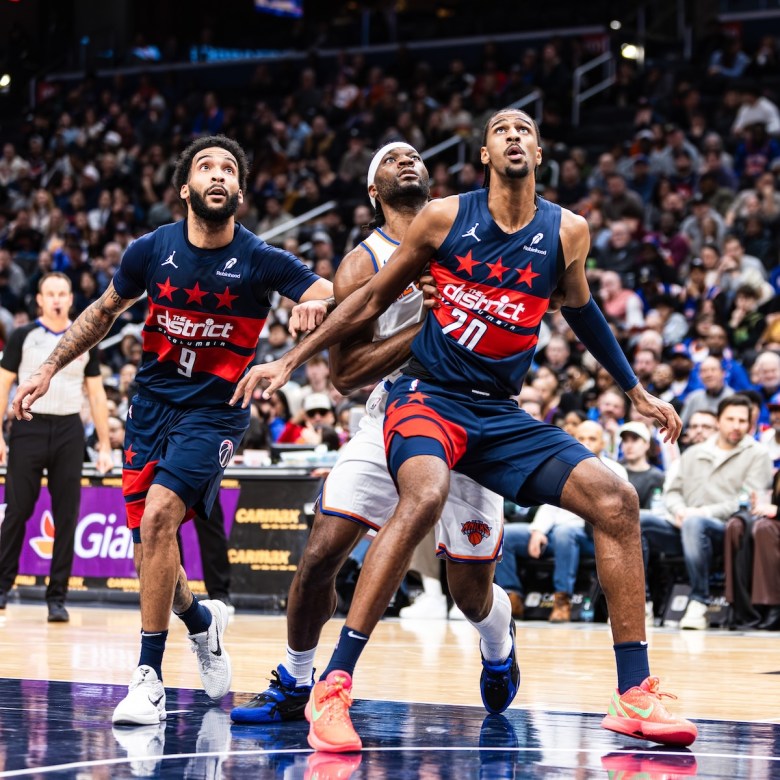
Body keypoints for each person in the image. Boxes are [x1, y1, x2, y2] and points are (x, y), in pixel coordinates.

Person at [235, 108, 696, 751]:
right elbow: (365, 306)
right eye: (501, 129)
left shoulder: (567, 231)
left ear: (539, 149)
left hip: (498, 414)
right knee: (416, 497)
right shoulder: (443, 219)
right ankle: (331, 684)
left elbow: (583, 310)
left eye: (524, 129)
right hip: (424, 397)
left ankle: (633, 691)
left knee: (614, 501)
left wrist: (635, 389)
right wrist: (287, 361)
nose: (513, 136)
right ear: (483, 152)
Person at [11, 135, 333, 725]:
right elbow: (103, 312)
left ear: (239, 190)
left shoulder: (260, 257)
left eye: (229, 169)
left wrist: (311, 312)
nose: (218, 175)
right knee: (151, 553)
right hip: (151, 406)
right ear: (185, 188)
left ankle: (148, 680)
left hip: (216, 410)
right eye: (206, 167)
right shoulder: (151, 249)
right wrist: (49, 366)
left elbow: (334, 293)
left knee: (160, 518)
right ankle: (201, 622)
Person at [230, 142, 505, 726]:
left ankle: (498, 645)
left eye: (414, 155)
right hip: (392, 413)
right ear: (374, 192)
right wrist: (425, 330)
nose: (407, 159)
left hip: (471, 415)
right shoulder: (362, 262)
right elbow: (347, 374)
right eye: (391, 157)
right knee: (321, 553)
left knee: (471, 593)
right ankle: (295, 679)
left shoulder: (468, 232)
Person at [0, 273, 113, 621]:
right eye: (50, 294)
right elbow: (2, 385)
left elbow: (95, 393)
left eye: (62, 293)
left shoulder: (84, 336)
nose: (56, 299)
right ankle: (2, 588)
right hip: (28, 428)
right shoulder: (23, 336)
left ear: (70, 297)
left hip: (68, 429)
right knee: (17, 510)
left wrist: (106, 445)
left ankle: (57, 598)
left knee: (67, 516)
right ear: (39, 299)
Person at [640, 395, 772, 630]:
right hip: (683, 524)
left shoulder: (757, 454)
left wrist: (700, 513)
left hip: (724, 530)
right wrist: (680, 510)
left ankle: (699, 602)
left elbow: (746, 501)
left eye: (742, 421)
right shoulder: (693, 452)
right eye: (730, 419)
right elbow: (673, 492)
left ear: (750, 424)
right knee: (638, 521)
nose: (736, 425)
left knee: (696, 524)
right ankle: (642, 601)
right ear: (719, 420)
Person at [494, 420, 627, 623]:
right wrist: (538, 531)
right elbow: (549, 504)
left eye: (592, 438)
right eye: (581, 438)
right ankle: (512, 597)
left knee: (566, 532)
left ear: (603, 443)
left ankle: (562, 602)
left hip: (590, 537)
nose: (585, 443)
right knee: (506, 535)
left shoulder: (615, 470)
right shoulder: (565, 466)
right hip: (558, 532)